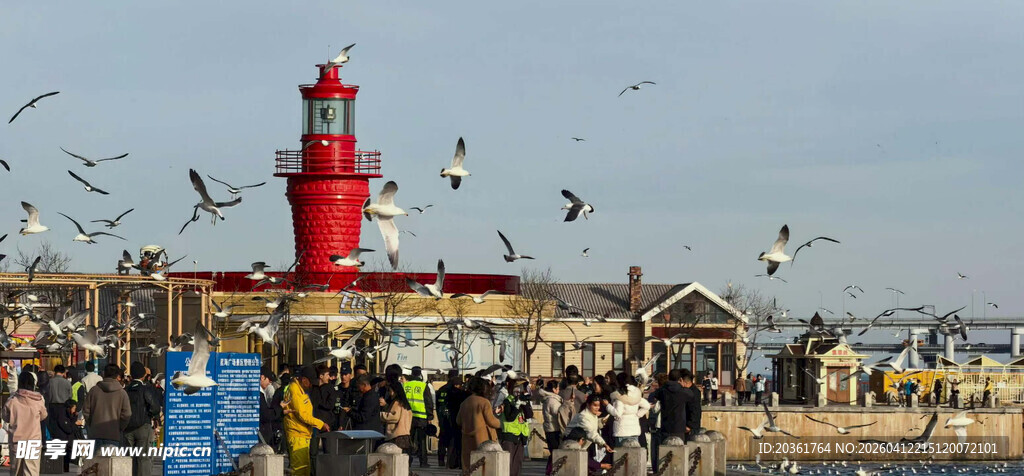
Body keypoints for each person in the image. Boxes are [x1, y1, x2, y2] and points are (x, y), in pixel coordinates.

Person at [283, 366, 330, 476]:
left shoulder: (301, 390)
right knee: (299, 469)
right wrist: (320, 424)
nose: (311, 386)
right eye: (310, 383)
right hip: (297, 434)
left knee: (305, 468)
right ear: (304, 379)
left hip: (303, 434)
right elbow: (302, 415)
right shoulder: (294, 390)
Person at [3, 371, 47, 476]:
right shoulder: (39, 400)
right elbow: (44, 415)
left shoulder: (12, 400)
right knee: (32, 471)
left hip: (17, 441)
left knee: (16, 472)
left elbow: (5, 417)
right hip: (33, 440)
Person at [456, 377, 502, 469]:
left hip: (467, 439)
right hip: (483, 440)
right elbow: (492, 422)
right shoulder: (484, 402)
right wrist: (500, 422)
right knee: (483, 467)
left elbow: (458, 421)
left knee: (469, 466)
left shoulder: (465, 402)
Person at [125, 362, 162, 476]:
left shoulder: (125, 390)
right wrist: (152, 415)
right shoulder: (145, 389)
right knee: (144, 458)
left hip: (127, 429)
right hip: (143, 427)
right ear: (143, 375)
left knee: (129, 457)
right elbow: (155, 407)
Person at [83, 365, 131, 448]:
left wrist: (91, 424)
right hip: (114, 435)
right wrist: (119, 427)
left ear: (104, 374)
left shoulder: (94, 390)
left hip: (95, 433)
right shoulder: (122, 393)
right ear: (117, 376)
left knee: (96, 460)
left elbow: (86, 410)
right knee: (112, 460)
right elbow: (127, 414)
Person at [564, 394, 614, 463]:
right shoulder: (583, 417)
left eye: (598, 405)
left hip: (582, 444)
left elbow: (592, 426)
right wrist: (604, 444)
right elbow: (591, 432)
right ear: (588, 405)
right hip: (571, 445)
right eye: (595, 405)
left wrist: (601, 421)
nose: (597, 408)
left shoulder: (592, 414)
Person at [498, 380, 533, 476]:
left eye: (520, 390)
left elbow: (529, 415)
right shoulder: (507, 401)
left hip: (521, 436)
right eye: (516, 390)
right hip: (509, 435)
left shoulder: (524, 400)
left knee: (518, 463)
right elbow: (509, 417)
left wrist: (525, 404)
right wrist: (516, 406)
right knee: (508, 463)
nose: (518, 393)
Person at [606, 372, 649, 447]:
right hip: (634, 429)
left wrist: (608, 405)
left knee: (621, 455)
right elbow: (646, 406)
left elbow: (618, 413)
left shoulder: (619, 395)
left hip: (621, 430)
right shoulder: (635, 394)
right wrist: (637, 415)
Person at [404, 367, 434, 468]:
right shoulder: (423, 385)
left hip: (408, 416)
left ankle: (408, 461)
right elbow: (428, 402)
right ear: (420, 374)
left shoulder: (406, 385)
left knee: (409, 439)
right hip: (421, 417)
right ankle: (423, 462)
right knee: (422, 440)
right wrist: (430, 416)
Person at [649, 369, 687, 439]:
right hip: (678, 426)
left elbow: (655, 409)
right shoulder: (681, 391)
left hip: (663, 425)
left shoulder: (660, 392)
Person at [311, 364, 334, 471]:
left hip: (327, 423)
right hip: (314, 423)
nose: (329, 377)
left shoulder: (330, 388)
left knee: (328, 451)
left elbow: (331, 405)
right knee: (313, 451)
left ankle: (328, 471)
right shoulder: (313, 388)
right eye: (327, 375)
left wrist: (320, 403)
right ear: (321, 376)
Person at [435, 371, 461, 468]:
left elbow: (437, 405)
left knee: (442, 438)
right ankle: (450, 462)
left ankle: (440, 460)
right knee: (452, 440)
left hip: (442, 418)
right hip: (453, 419)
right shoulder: (456, 391)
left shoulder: (441, 390)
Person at [444, 374, 469, 469]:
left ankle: (450, 463)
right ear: (457, 385)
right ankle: (459, 463)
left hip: (451, 419)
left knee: (452, 441)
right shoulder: (461, 394)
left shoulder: (448, 393)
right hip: (460, 420)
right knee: (460, 443)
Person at [381, 381, 413, 452]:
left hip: (396, 435)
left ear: (394, 391)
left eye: (390, 390)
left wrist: (380, 415)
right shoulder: (405, 403)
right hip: (405, 435)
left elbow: (394, 416)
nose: (389, 393)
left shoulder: (396, 402)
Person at [537, 379, 562, 470]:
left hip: (549, 428)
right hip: (554, 429)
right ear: (554, 389)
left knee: (553, 453)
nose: (559, 390)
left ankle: (549, 470)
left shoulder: (548, 399)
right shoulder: (552, 400)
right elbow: (557, 413)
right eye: (558, 388)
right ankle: (550, 471)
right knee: (555, 453)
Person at [259, 366, 283, 447]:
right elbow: (266, 414)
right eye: (269, 380)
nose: (270, 383)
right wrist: (280, 407)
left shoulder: (262, 392)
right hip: (261, 433)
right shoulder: (259, 394)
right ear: (262, 377)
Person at [678, 370, 702, 440]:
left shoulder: (691, 393)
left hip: (690, 428)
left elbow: (695, 409)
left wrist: (689, 425)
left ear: (683, 380)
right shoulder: (693, 390)